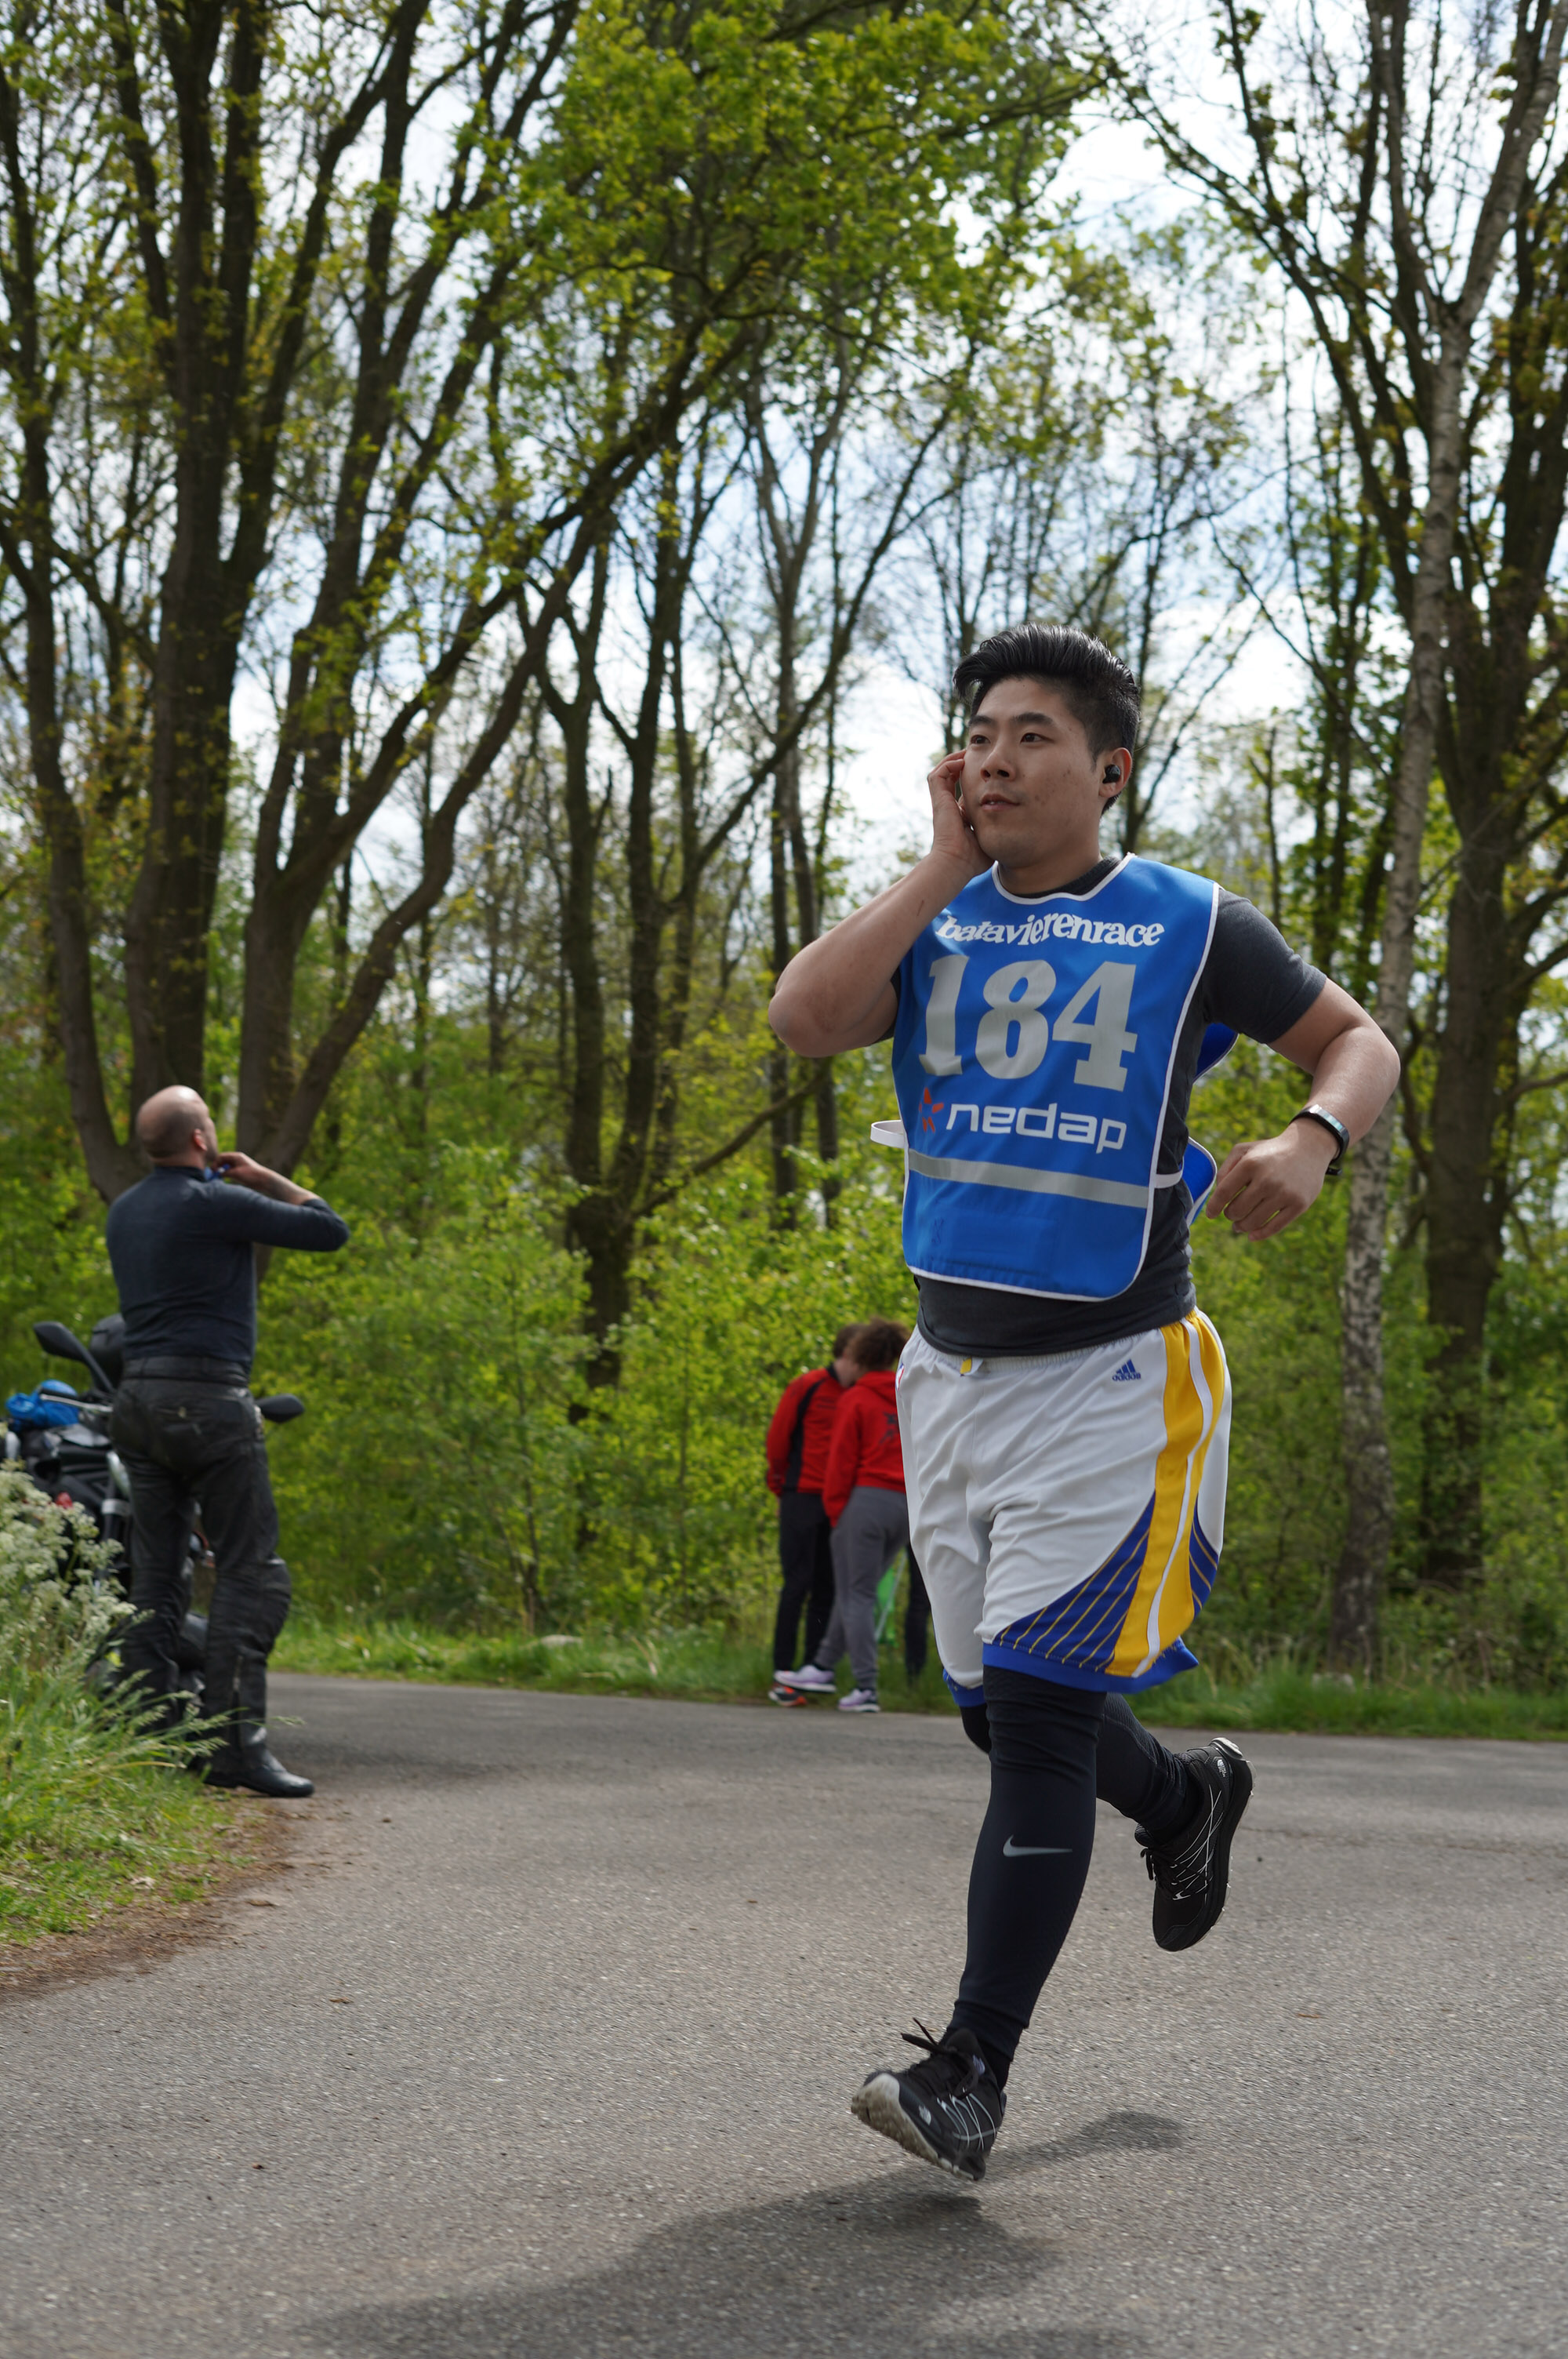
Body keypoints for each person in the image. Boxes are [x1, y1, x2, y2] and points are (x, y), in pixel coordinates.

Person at [769, 624, 1399, 2182]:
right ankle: (1181, 1796)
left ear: (1108, 770)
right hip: (948, 1380)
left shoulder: (1188, 922)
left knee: (1041, 1711)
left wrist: (1311, 1138)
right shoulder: (931, 918)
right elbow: (803, 1019)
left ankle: (969, 2072)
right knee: (998, 1712)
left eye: (1031, 735)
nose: (994, 758)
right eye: (978, 733)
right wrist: (938, 864)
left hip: (1117, 1378)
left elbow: (1357, 1039)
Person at [105, 1086, 351, 1799]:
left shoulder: (125, 1211)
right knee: (250, 1571)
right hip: (209, 1402)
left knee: (155, 1575)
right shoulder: (218, 1203)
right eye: (209, 1121)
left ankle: (150, 1736)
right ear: (201, 1140)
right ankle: (235, 1750)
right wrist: (267, 1178)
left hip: (137, 1405)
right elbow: (329, 1229)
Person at [774, 1318, 910, 1714]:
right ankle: (822, 1666)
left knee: (856, 1594)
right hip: (905, 1506)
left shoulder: (856, 1398)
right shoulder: (909, 1396)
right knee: (856, 1587)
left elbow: (840, 1463)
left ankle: (866, 1686)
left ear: (861, 1354)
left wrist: (836, 1512)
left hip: (866, 1502)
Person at [765, 1324, 862, 1694]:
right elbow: (778, 1439)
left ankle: (813, 1670)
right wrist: (780, 1489)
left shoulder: (861, 1395)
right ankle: (781, 1669)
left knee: (828, 1587)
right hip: (801, 1497)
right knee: (796, 1584)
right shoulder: (807, 1386)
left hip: (840, 1504)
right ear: (846, 1353)